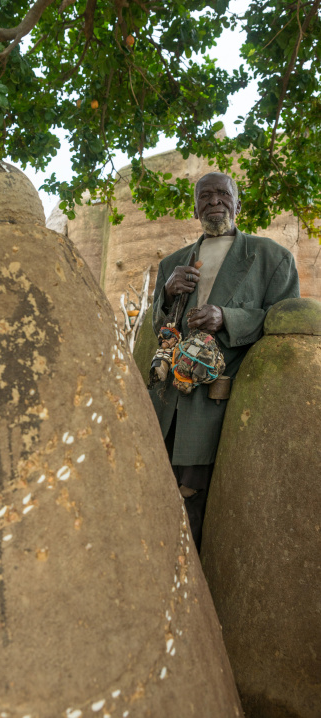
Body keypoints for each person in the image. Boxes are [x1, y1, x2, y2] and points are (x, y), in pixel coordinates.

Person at [149, 172, 300, 550]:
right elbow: (158, 326)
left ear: (238, 202)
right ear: (195, 207)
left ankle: (189, 587)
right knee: (154, 489)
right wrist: (167, 297)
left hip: (218, 402)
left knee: (194, 499)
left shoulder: (272, 258)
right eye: (205, 196)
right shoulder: (172, 263)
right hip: (166, 401)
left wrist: (226, 317)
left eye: (222, 194)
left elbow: (283, 323)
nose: (214, 201)